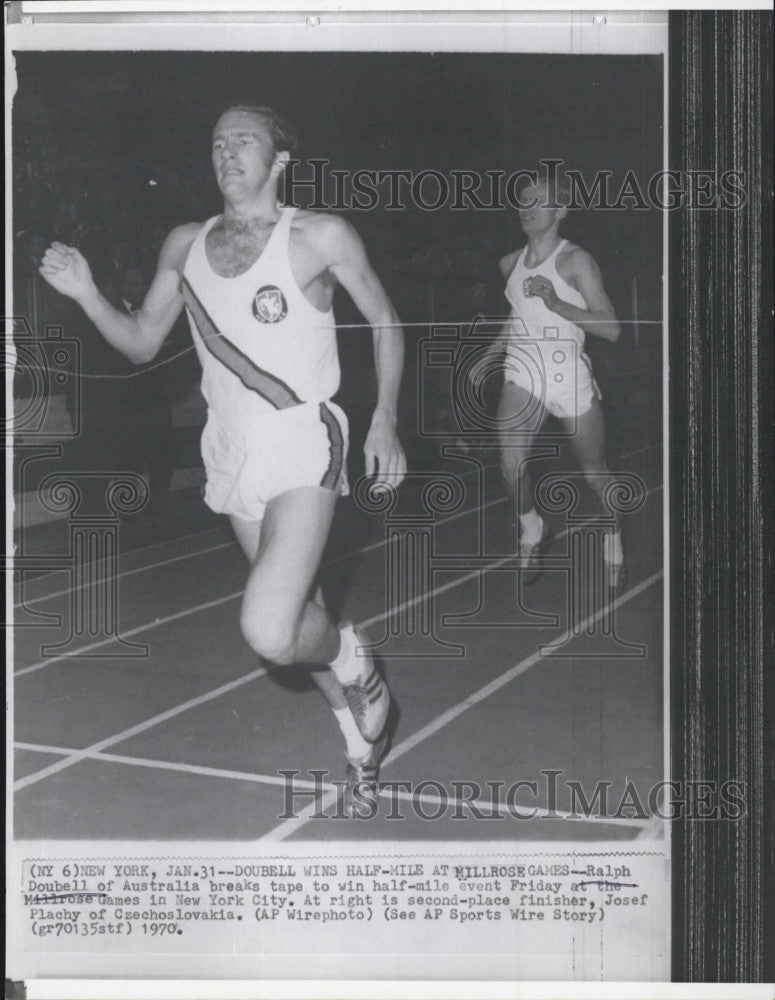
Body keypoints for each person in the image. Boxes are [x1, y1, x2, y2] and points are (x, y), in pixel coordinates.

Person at [40, 104, 407, 814]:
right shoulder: (184, 244)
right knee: (303, 617)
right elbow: (143, 341)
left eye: (244, 140)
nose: (226, 151)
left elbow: (386, 319)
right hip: (230, 448)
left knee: (270, 629)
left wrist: (384, 417)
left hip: (305, 436)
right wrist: (87, 294)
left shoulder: (318, 235)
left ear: (280, 158)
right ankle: (358, 742)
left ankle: (357, 662)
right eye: (216, 142)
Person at [477, 173, 625, 590]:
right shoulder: (509, 263)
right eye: (523, 199)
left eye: (538, 200)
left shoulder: (577, 260)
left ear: (560, 211)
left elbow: (612, 328)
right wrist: (489, 356)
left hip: (568, 374)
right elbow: (518, 316)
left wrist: (556, 301)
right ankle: (531, 528)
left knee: (596, 474)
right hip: (523, 369)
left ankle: (613, 540)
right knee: (510, 463)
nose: (526, 207)